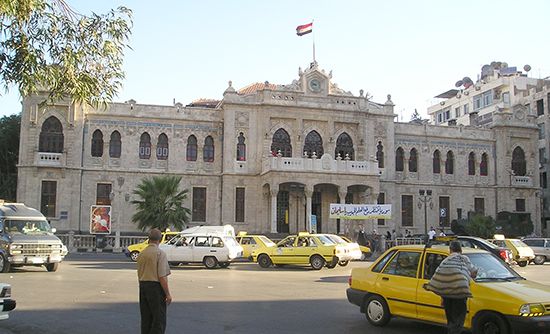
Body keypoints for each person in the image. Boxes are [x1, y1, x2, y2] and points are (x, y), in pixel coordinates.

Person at [424, 241, 477, 334]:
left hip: (447, 295)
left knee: (451, 320)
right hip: (460, 294)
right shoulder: (464, 258)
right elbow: (474, 272)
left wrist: (442, 297)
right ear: (460, 249)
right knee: (459, 320)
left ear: (450, 250)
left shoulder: (445, 261)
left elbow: (441, 278)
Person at [137, 228, 172, 334]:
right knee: (158, 319)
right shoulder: (160, 254)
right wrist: (167, 294)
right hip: (155, 287)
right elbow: (162, 276)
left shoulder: (142, 254)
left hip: (143, 286)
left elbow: (139, 273)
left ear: (148, 239)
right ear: (160, 240)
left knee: (146, 318)